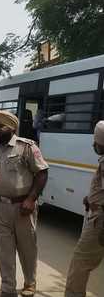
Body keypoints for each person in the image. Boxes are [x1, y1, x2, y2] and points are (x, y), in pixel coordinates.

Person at [0, 110, 49, 297]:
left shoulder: (27, 147)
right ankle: (7, 287)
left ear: (12, 127)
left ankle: (30, 283)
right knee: (4, 250)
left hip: (22, 207)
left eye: (1, 126)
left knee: (27, 248)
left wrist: (31, 199)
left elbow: (42, 173)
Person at [64, 121, 104, 297]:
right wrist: (91, 198)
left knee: (79, 264)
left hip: (99, 221)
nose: (94, 145)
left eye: (96, 141)